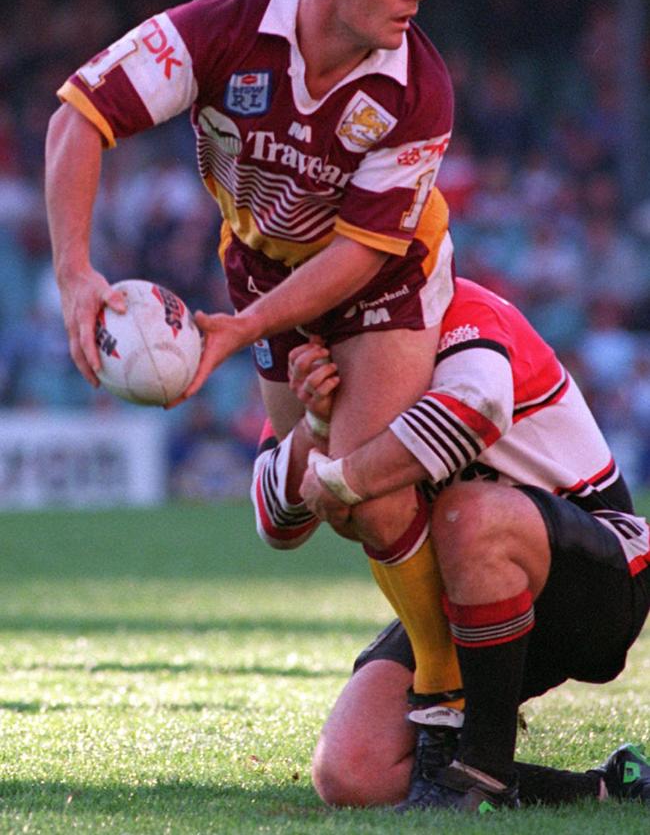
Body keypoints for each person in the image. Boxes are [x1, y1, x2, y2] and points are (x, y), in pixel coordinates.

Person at [45, 0, 461, 705]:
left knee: (362, 482)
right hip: (264, 266)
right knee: (292, 516)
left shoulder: (418, 85)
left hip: (388, 274)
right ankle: (324, 441)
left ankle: (447, 681)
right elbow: (78, 119)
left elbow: (360, 252)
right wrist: (75, 275)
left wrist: (241, 331)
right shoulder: (221, 31)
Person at [251, 276, 650, 812]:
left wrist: (345, 475)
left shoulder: (466, 308)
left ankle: (480, 769)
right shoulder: (327, 352)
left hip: (600, 573)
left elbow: (473, 411)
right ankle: (604, 787)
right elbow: (277, 523)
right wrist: (316, 425)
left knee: (465, 512)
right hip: (461, 593)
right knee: (353, 772)